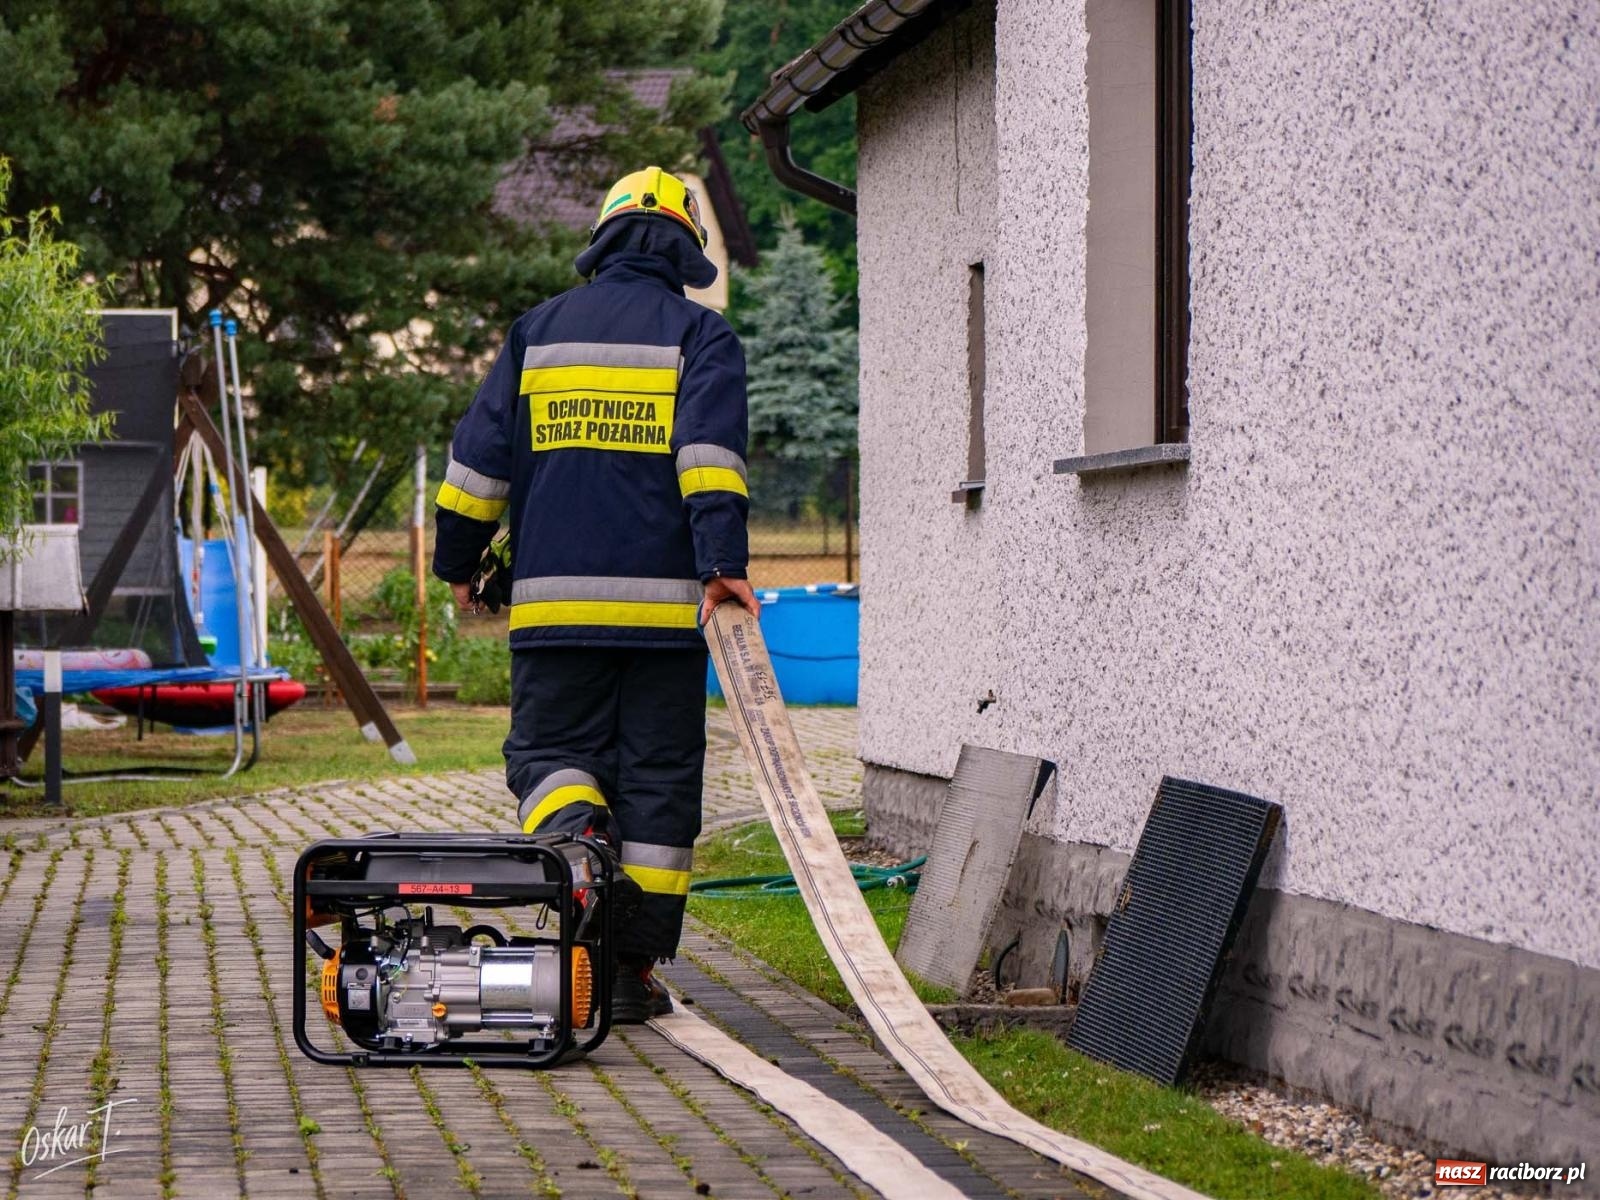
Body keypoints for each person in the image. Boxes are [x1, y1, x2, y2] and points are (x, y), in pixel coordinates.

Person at [432, 166, 759, 1022]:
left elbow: (476, 470)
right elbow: (709, 460)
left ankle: (576, 838)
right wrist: (723, 561)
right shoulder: (703, 337)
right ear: (685, 251)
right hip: (663, 623)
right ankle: (624, 974)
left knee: (545, 759)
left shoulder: (536, 334)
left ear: (605, 238)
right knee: (656, 789)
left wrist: (459, 561)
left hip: (556, 617)